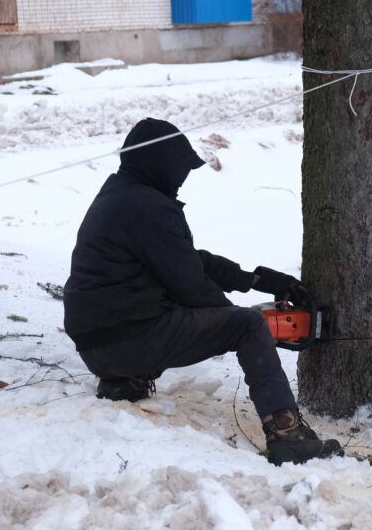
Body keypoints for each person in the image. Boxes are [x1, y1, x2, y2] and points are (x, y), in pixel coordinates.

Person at [63, 118, 343, 466]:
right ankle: (288, 436)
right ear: (162, 164)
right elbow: (191, 285)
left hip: (97, 348)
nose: (182, 180)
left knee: (165, 308)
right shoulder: (150, 207)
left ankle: (123, 383)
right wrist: (236, 320)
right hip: (129, 341)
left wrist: (253, 279)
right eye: (180, 169)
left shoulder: (120, 196)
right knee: (248, 325)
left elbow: (185, 259)